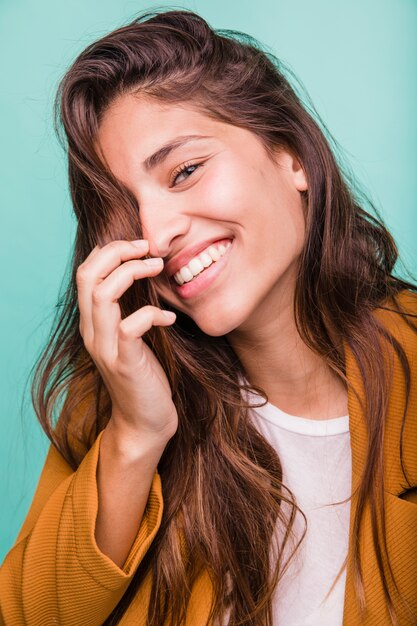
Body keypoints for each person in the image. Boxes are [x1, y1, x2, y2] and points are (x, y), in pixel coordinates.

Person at [1, 8, 416, 626]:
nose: (157, 232)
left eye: (185, 171)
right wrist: (137, 436)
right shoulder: (112, 411)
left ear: (290, 156)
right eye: (125, 213)